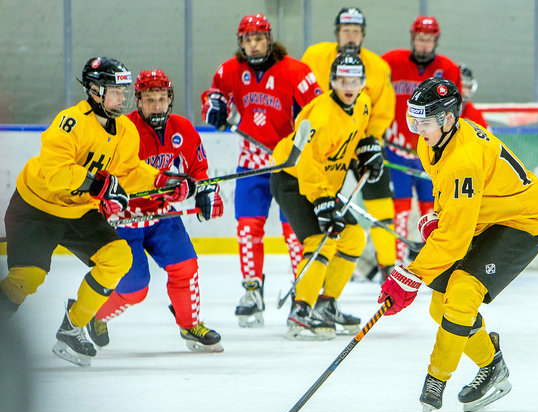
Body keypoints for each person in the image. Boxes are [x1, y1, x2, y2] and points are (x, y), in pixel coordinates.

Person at [377, 78, 538, 412]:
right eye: (414, 121)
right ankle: (493, 366)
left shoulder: (464, 159)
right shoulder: (431, 142)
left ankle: (436, 379)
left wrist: (411, 275)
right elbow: (452, 197)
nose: (417, 129)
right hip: (490, 214)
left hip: (522, 221)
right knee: (438, 307)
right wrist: (440, 216)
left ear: (446, 119)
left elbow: (455, 238)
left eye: (423, 122)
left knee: (460, 295)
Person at [0, 57, 195, 366]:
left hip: (79, 212)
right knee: (27, 277)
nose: (122, 98)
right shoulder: (72, 122)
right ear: (94, 90)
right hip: (36, 207)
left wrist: (162, 182)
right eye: (115, 91)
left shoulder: (125, 131)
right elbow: (55, 171)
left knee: (118, 257)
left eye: (123, 91)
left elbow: (129, 171)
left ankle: (73, 327)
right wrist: (96, 184)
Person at [87, 69, 223, 353]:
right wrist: (104, 200)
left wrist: (206, 192)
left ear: (170, 98)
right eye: (150, 99)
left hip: (161, 214)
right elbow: (102, 174)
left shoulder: (183, 128)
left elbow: (198, 171)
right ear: (138, 100)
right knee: (135, 290)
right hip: (123, 221)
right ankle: (95, 315)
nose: (157, 105)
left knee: (185, 266)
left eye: (161, 98)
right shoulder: (122, 129)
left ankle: (190, 323)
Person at [201, 13, 321, 328]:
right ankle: (252, 291)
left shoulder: (297, 71)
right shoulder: (229, 70)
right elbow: (215, 95)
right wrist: (215, 107)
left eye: (258, 39)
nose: (253, 45)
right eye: (247, 40)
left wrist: (311, 143)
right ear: (241, 43)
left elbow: (320, 111)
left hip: (289, 165)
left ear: (269, 39)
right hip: (251, 162)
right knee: (247, 229)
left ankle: (303, 296)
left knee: (295, 235)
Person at [271, 53, 383, 339]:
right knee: (320, 240)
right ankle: (301, 310)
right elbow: (308, 162)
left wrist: (364, 155)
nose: (349, 86)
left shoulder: (363, 104)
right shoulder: (321, 115)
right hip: (292, 180)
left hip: (321, 184)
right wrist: (322, 201)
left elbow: (352, 139)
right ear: (332, 81)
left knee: (354, 237)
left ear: (362, 82)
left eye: (355, 80)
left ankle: (326, 305)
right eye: (343, 80)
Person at [301, 6, 397, 281]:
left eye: (356, 31)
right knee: (320, 202)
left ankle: (388, 266)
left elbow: (383, 112)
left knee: (381, 205)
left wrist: (370, 143)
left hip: (362, 147)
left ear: (363, 34)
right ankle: (314, 262)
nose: (351, 36)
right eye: (346, 31)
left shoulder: (377, 68)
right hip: (326, 148)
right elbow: (302, 97)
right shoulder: (314, 57)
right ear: (337, 33)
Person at [381, 15, 462, 264]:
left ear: (435, 40)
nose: (424, 44)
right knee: (401, 210)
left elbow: (458, 111)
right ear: (412, 38)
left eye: (428, 39)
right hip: (397, 150)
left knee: (432, 210)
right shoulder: (391, 61)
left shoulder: (448, 69)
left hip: (432, 152)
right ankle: (396, 263)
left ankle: (431, 261)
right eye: (420, 38)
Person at [459, 64, 489, 129]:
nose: (465, 92)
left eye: (468, 87)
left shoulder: (473, 113)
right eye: (462, 86)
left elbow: (489, 136)